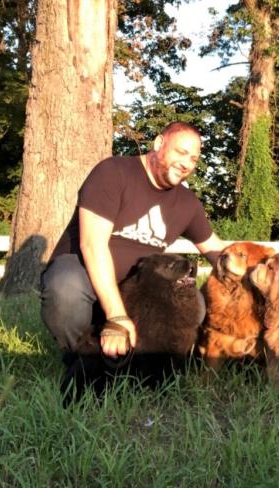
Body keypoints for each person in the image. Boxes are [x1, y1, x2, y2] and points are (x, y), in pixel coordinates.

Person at [40, 122, 225, 364]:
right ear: (159, 144)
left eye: (193, 159)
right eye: (180, 152)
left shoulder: (187, 203)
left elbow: (216, 250)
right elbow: (92, 246)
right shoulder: (113, 172)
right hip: (85, 275)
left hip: (137, 288)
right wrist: (116, 316)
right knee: (65, 288)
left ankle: (145, 358)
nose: (186, 163)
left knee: (196, 304)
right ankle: (82, 357)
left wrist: (262, 273)